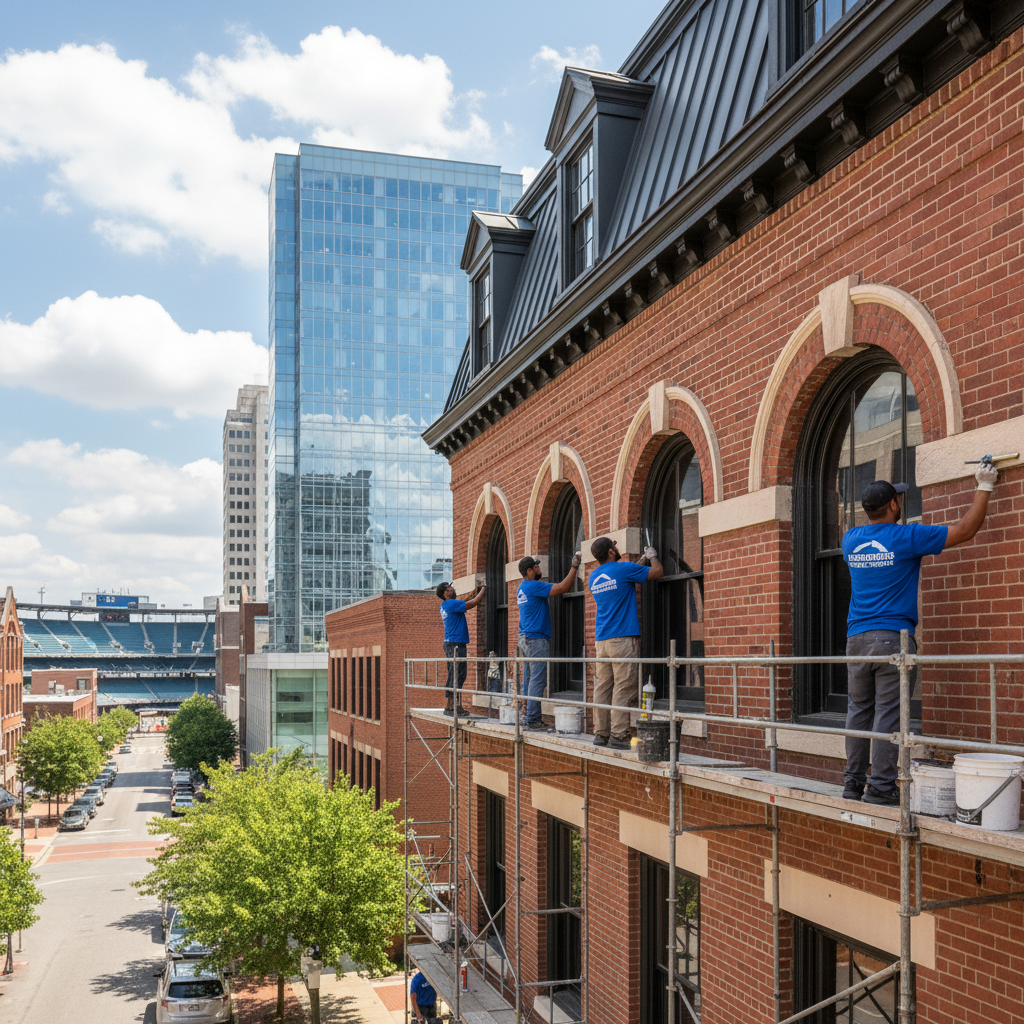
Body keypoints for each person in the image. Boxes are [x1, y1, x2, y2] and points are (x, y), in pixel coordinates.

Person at [842, 465, 997, 805]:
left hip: (856, 640)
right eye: (898, 498)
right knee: (887, 716)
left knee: (858, 712)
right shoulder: (906, 538)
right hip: (891, 640)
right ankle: (881, 787)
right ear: (894, 506)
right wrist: (984, 485)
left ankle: (852, 783)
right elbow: (964, 530)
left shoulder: (850, 540)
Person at [587, 537, 663, 749]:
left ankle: (600, 733)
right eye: (615, 546)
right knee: (623, 685)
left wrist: (639, 562)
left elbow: (622, 578)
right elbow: (657, 572)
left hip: (602, 640)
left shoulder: (594, 577)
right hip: (622, 638)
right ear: (611, 552)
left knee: (602, 687)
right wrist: (653, 556)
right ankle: (618, 735)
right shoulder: (623, 569)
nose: (617, 548)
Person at [516, 552, 583, 730]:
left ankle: (527, 715)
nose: (539, 569)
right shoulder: (532, 586)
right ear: (529, 570)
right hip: (536, 638)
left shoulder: (522, 587)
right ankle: (533, 720)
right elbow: (562, 588)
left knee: (530, 679)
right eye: (536, 566)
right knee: (538, 680)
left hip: (525, 638)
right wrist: (574, 566)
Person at [436, 580, 486, 716]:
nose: (451, 589)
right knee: (458, 674)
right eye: (448, 589)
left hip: (452, 643)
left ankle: (451, 706)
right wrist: (483, 590)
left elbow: (464, 600)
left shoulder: (447, 604)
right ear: (445, 593)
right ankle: (453, 706)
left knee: (455, 674)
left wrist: (474, 592)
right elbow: (471, 603)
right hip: (455, 644)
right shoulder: (450, 604)